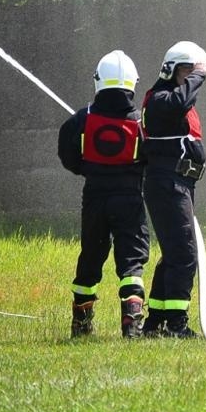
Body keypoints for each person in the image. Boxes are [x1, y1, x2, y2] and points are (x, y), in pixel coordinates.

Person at [58, 50, 149, 338]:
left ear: (98, 81)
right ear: (132, 82)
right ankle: (132, 324)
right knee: (132, 261)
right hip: (130, 199)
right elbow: (151, 158)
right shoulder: (140, 122)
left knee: (91, 257)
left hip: (94, 198)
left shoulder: (81, 119)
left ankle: (81, 324)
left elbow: (67, 155)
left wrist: (86, 169)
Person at [140, 40, 206, 338]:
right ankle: (176, 324)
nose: (192, 80)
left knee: (173, 253)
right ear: (171, 70)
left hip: (178, 183)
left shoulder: (175, 99)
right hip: (167, 184)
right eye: (187, 73)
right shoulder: (160, 99)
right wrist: (199, 74)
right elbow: (179, 102)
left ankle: (155, 322)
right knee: (184, 254)